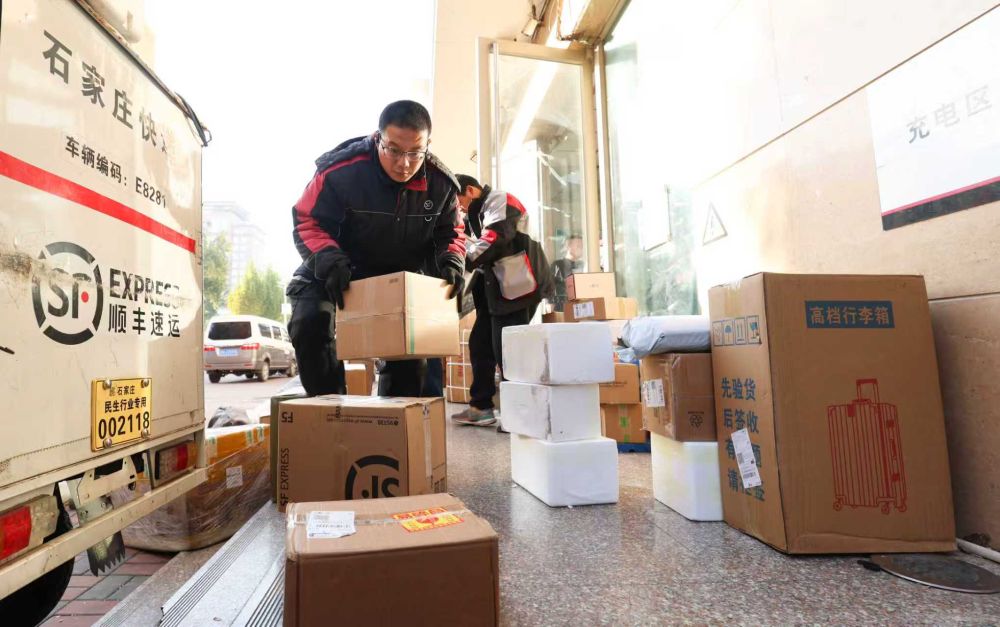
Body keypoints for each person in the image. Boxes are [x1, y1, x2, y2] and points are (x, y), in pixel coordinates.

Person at [286, 100, 466, 397]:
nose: (404, 163)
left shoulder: (441, 185)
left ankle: (391, 421)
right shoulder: (340, 171)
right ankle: (329, 411)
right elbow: (308, 219)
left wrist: (450, 261)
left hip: (397, 276)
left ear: (428, 145)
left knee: (411, 358)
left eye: (415, 153)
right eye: (393, 150)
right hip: (335, 267)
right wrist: (330, 262)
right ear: (378, 138)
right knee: (310, 323)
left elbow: (451, 232)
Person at [450, 175, 554, 427]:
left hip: (520, 286)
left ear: (470, 190)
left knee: (508, 351)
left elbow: (495, 239)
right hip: (498, 289)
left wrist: (460, 260)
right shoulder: (474, 215)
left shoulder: (500, 200)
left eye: (458, 200)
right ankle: (481, 407)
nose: (458, 207)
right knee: (481, 344)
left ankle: (518, 416)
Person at [550, 233, 584, 312]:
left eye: (582, 246)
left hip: (580, 308)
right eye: (578, 246)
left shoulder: (583, 265)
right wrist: (550, 307)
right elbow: (550, 288)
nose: (581, 249)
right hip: (562, 309)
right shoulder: (557, 265)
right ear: (569, 246)